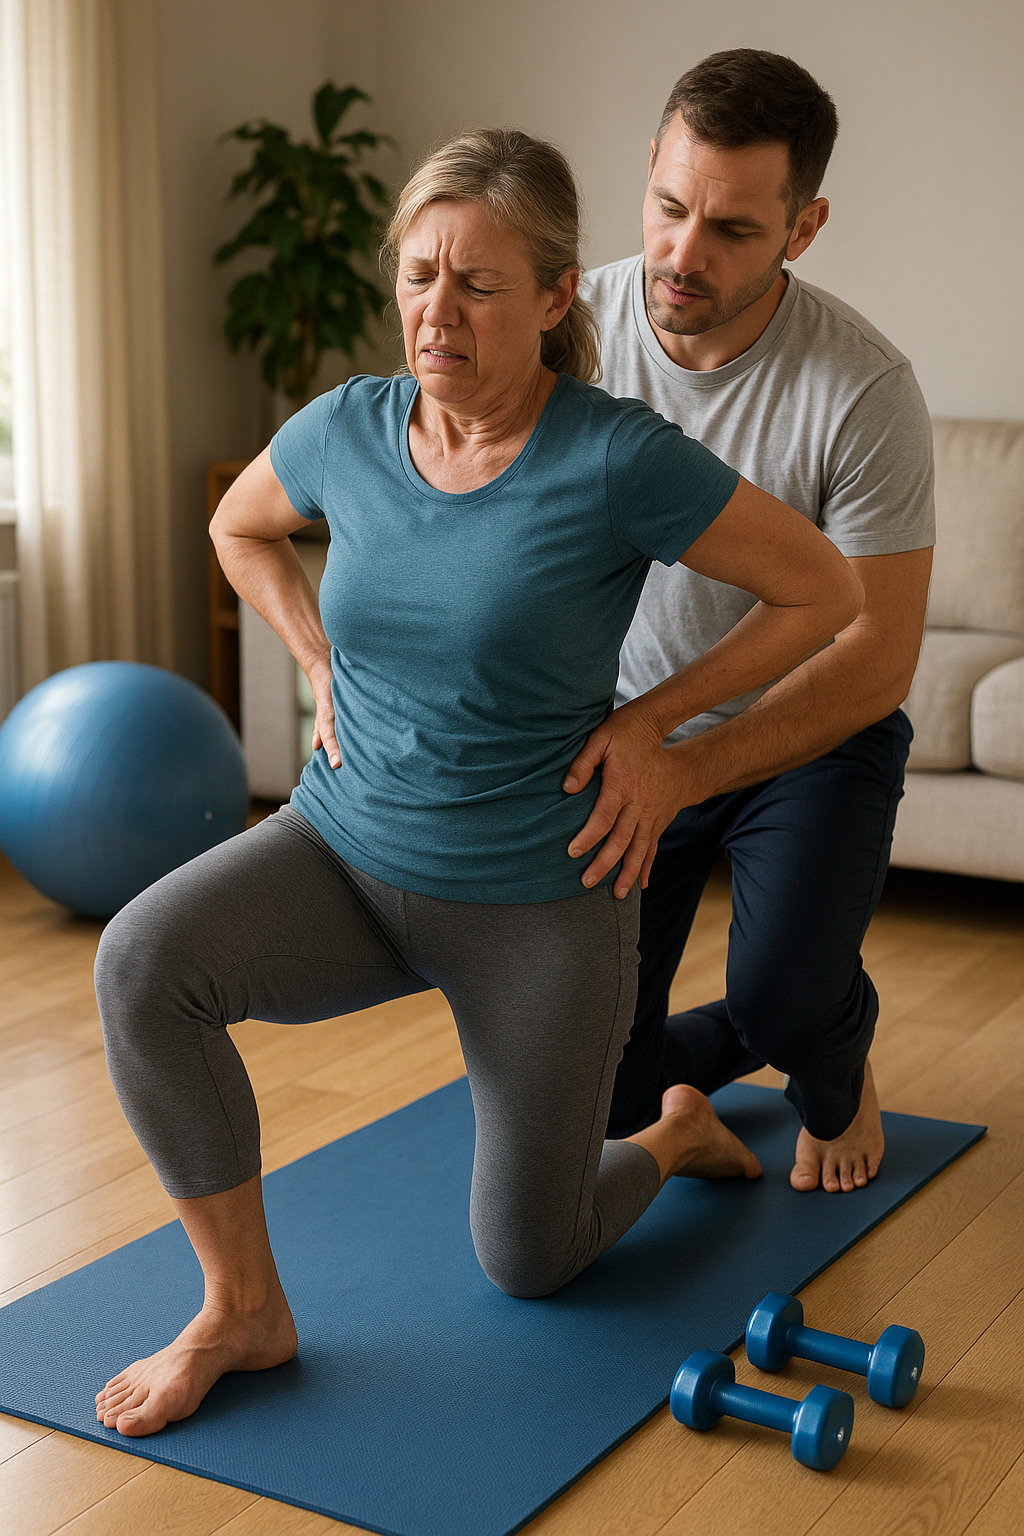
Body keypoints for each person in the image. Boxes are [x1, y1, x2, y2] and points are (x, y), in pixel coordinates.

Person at [92, 127, 860, 1438]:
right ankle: (241, 1311)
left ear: (556, 298)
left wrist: (660, 732)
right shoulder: (352, 425)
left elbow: (824, 589)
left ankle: (672, 1135)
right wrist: (317, 654)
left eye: (476, 284)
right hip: (341, 854)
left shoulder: (615, 457)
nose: (434, 312)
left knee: (531, 1260)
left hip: (537, 902)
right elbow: (240, 527)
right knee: (143, 964)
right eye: (416, 276)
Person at [570, 49, 935, 1193]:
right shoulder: (566, 330)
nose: (681, 254)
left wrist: (696, 764)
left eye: (729, 229)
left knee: (792, 999)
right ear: (648, 169)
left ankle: (824, 1043)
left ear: (803, 225)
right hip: (629, 734)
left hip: (810, 731)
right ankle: (745, 1046)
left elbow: (875, 654)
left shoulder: (862, 388)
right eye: (670, 207)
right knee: (607, 1100)